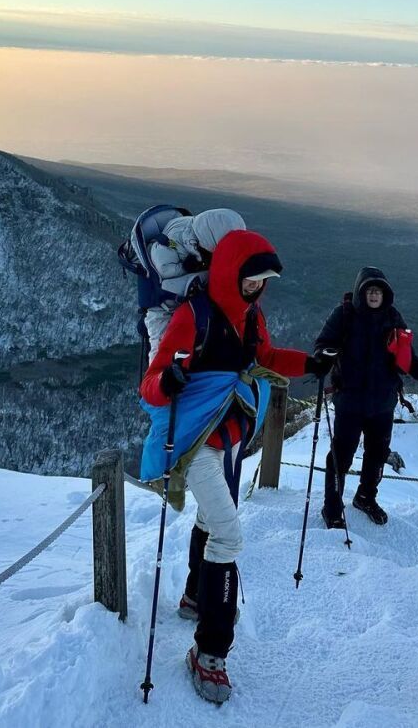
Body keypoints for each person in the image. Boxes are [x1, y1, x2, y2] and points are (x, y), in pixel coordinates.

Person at [140, 229, 311, 704]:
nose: (256, 288)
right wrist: (169, 378)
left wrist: (313, 363)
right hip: (196, 442)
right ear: (230, 273)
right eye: (250, 279)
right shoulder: (192, 318)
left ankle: (197, 595)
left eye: (263, 282)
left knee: (208, 518)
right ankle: (209, 652)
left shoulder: (251, 318)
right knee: (229, 534)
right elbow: (151, 385)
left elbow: (267, 358)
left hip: (230, 433)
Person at [311, 266, 418, 528]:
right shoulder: (344, 314)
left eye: (378, 290)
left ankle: (366, 497)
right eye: (369, 290)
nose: (374, 295)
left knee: (377, 454)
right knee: (341, 455)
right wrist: (323, 357)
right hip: (350, 401)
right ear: (360, 292)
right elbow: (323, 343)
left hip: (382, 402)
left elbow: (406, 356)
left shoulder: (392, 318)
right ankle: (332, 507)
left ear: (385, 294)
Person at [142, 208, 246, 356]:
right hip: (162, 304)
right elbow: (164, 270)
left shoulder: (200, 233)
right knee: (161, 349)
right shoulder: (170, 243)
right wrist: (184, 267)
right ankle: (158, 377)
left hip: (189, 296)